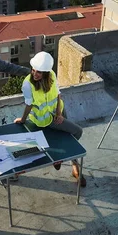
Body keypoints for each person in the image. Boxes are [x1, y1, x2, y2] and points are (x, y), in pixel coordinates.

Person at [13, 52, 86, 187]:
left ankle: (73, 166)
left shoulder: (51, 75)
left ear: (46, 73)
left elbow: (58, 93)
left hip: (58, 111)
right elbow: (28, 105)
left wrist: (59, 112)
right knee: (78, 132)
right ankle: (61, 157)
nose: (35, 74)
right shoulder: (27, 84)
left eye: (39, 72)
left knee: (69, 135)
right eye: (33, 70)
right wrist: (23, 119)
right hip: (45, 120)